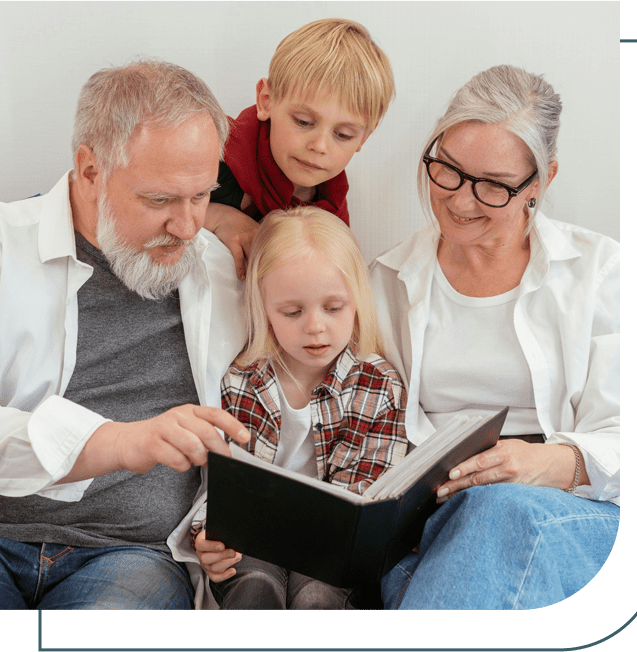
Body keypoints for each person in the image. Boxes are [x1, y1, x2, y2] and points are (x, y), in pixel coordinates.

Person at [0, 58, 252, 610]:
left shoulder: (227, 270)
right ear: (89, 169)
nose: (188, 228)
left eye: (203, 196)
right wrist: (117, 442)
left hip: (133, 556)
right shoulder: (4, 250)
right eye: (160, 200)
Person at [369, 65, 620, 610]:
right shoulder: (385, 280)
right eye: (449, 171)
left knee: (499, 511)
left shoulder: (601, 272)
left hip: (572, 511)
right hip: (437, 523)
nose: (460, 201)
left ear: (542, 181)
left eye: (493, 186)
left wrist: (553, 464)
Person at [191, 206, 408, 609]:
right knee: (254, 585)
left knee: (317, 596)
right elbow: (217, 483)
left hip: (334, 547)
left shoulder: (378, 385)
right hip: (254, 543)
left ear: (357, 301)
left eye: (334, 307)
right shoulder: (242, 381)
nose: (315, 326)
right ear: (264, 309)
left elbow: (369, 496)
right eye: (292, 312)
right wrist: (207, 535)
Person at [204, 18, 395, 279]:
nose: (319, 146)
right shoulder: (210, 154)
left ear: (363, 138)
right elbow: (143, 212)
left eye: (343, 134)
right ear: (266, 101)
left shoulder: (332, 213)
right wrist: (215, 215)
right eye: (303, 122)